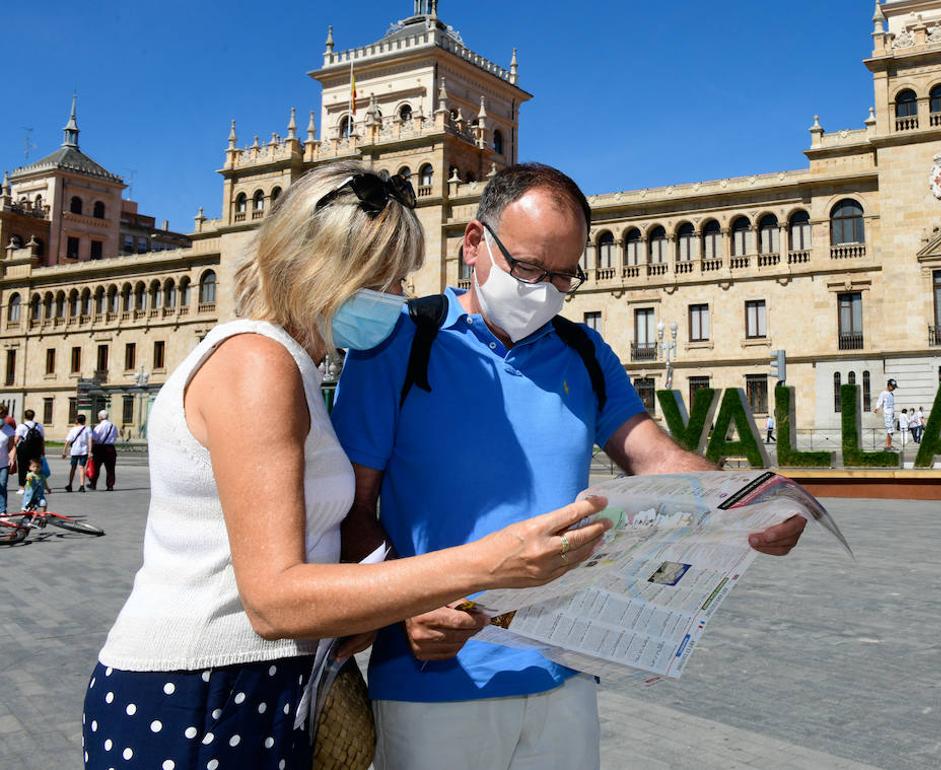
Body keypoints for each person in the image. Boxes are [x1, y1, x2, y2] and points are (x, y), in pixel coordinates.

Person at [81, 161, 612, 770]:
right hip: (202, 692)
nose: (397, 301)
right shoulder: (259, 364)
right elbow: (274, 599)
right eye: (383, 281)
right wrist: (489, 563)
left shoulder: (295, 369)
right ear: (320, 269)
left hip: (260, 685)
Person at [331, 163, 808, 770]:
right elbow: (348, 507)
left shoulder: (582, 351)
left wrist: (748, 496)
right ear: (474, 243)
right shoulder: (399, 341)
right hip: (437, 680)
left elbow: (650, 453)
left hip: (567, 672)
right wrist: (406, 602)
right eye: (528, 268)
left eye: (563, 276)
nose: (543, 290)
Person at [89, 409, 119, 491]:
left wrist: (90, 450)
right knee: (110, 469)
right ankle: (110, 485)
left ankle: (93, 484)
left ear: (101, 417)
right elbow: (116, 436)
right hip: (110, 448)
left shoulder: (98, 427)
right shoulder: (113, 426)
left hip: (99, 448)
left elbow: (94, 439)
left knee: (96, 467)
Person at [14, 409, 45, 487]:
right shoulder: (39, 426)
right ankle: (33, 484)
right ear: (33, 416)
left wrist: (13, 449)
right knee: (34, 466)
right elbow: (42, 439)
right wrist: (43, 450)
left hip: (23, 449)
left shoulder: (21, 426)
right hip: (36, 449)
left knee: (22, 468)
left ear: (25, 416)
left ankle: (22, 486)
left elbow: (16, 439)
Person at [62, 413, 92, 492]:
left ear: (77, 420)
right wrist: (90, 451)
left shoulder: (73, 429)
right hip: (84, 451)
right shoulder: (88, 429)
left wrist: (64, 452)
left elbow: (67, 441)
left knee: (73, 468)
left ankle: (70, 485)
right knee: (81, 467)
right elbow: (89, 440)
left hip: (75, 451)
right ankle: (82, 486)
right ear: (84, 421)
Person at [873, 378, 898, 450]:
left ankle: (889, 444)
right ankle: (888, 445)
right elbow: (879, 401)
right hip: (887, 414)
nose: (894, 389)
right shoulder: (883, 393)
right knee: (890, 430)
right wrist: (877, 408)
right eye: (893, 387)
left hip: (891, 414)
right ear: (889, 386)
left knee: (891, 430)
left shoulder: (891, 394)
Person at [0, 404, 13, 517]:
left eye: (2, 415)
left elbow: (11, 447)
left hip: (3, 463)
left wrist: (12, 458)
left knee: (2, 485)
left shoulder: (9, 429)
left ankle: (2, 510)